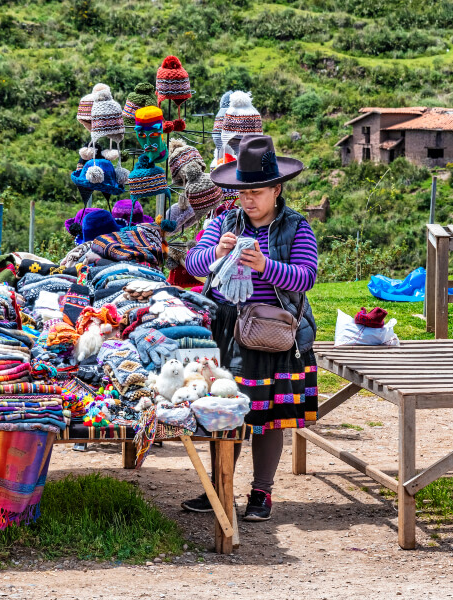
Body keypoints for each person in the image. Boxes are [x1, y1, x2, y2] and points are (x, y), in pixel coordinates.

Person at [181, 134, 318, 521]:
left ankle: (262, 493)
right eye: (243, 193)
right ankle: (218, 487)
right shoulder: (224, 220)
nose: (248, 200)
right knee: (223, 410)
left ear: (277, 189)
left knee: (269, 416)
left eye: (256, 192)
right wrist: (217, 253)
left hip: (271, 332)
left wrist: (264, 267)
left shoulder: (296, 228)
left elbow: (306, 278)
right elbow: (194, 263)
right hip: (228, 329)